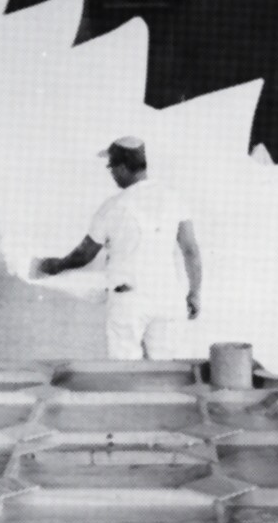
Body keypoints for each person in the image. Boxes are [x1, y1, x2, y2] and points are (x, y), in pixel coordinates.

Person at [35, 136, 202, 359]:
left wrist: (51, 265)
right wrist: (194, 293)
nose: (111, 172)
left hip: (129, 301)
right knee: (164, 371)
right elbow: (190, 250)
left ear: (123, 167)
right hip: (168, 299)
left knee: (126, 373)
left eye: (111, 166)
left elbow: (84, 254)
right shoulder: (174, 198)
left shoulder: (114, 206)